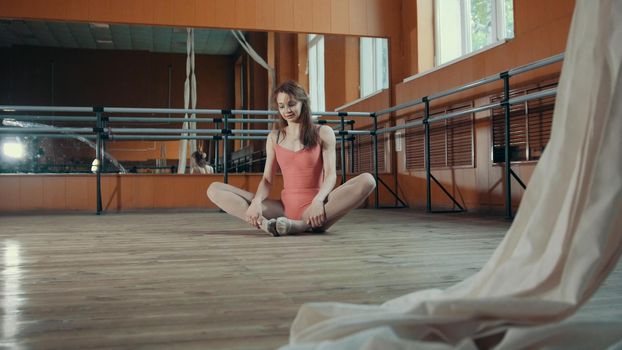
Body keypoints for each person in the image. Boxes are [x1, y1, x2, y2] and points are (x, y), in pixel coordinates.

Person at [207, 80, 376, 236]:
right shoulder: (274, 137)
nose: (286, 110)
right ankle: (266, 225)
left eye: (291, 104)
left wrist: (318, 201)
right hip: (283, 208)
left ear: (303, 103)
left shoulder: (323, 132)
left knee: (368, 180)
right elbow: (267, 179)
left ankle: (301, 225)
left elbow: (331, 175)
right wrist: (257, 202)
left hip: (318, 207)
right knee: (214, 189)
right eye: (281, 106)